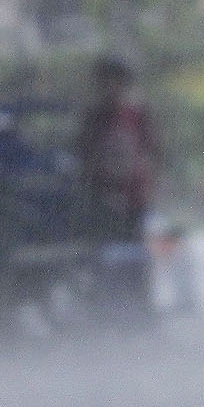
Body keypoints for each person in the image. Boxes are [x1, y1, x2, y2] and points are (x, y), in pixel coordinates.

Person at [74, 54, 159, 319]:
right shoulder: (94, 118)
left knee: (137, 254)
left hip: (135, 198)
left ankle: (139, 306)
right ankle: (104, 307)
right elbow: (83, 156)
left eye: (116, 81)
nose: (111, 88)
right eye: (105, 82)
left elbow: (153, 152)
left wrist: (148, 187)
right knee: (103, 255)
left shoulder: (137, 115)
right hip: (103, 198)